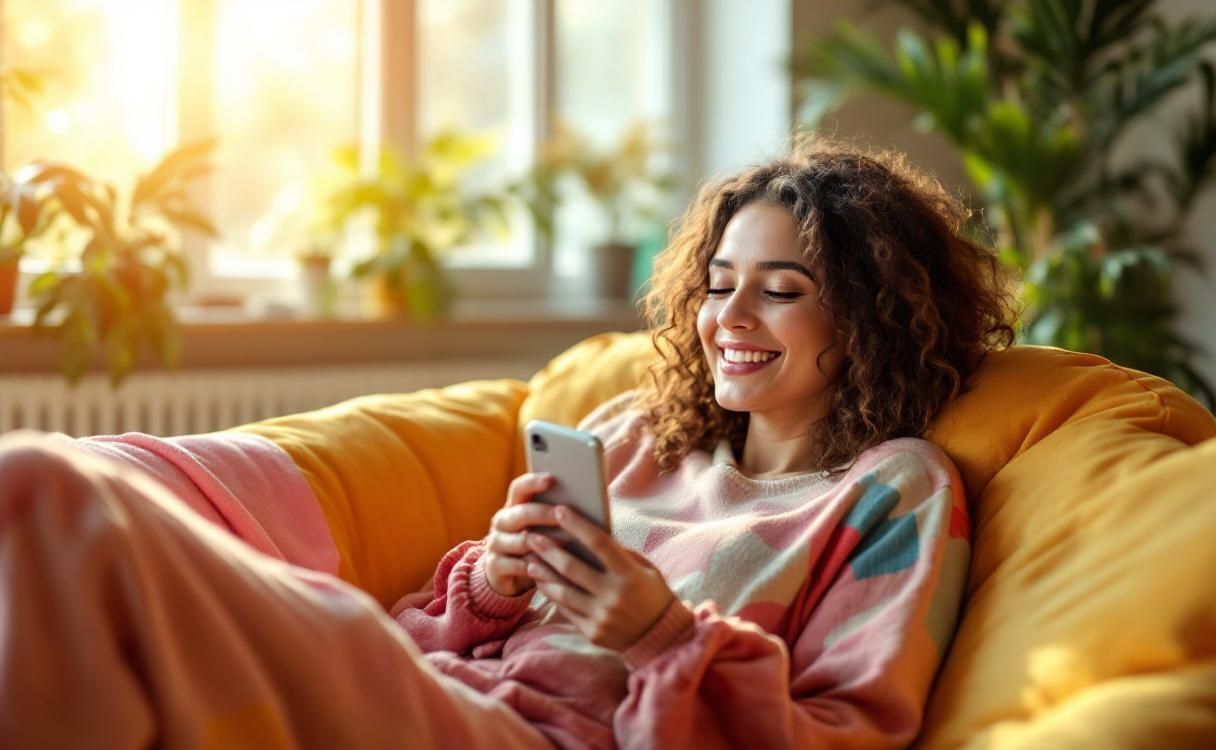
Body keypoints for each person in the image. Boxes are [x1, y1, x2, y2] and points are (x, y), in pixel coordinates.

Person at [0, 140, 1017, 749]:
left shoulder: (894, 493)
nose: (730, 317)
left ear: (871, 317)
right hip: (447, 699)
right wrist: (492, 580)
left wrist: (659, 635)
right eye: (717, 284)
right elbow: (429, 635)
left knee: (46, 490)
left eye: (781, 291)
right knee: (56, 528)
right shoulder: (631, 439)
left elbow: (847, 737)